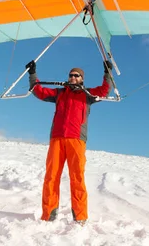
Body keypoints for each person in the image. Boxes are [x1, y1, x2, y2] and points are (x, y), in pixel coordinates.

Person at [25, 59, 114, 225]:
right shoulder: (60, 93)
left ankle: (80, 217)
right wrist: (32, 74)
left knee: (77, 177)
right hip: (57, 138)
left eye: (76, 75)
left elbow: (104, 91)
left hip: (76, 139)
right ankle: (48, 215)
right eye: (71, 75)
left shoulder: (87, 94)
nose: (73, 77)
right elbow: (39, 91)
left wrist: (107, 73)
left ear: (82, 79)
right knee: (51, 177)